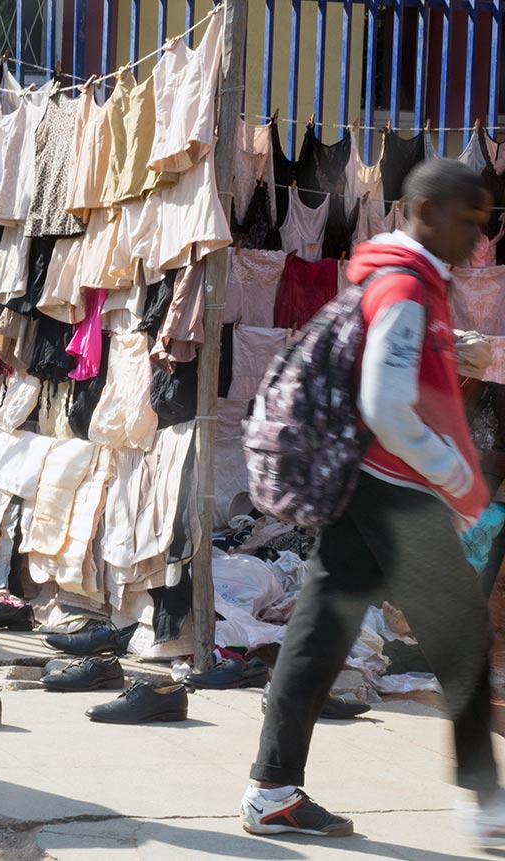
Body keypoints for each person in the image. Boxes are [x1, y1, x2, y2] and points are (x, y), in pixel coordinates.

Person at [240, 158, 503, 846]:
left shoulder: (399, 279)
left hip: (367, 483)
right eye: (468, 219)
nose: (479, 237)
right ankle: (486, 804)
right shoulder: (408, 288)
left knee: (322, 628)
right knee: (463, 634)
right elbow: (387, 404)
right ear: (423, 213)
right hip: (396, 488)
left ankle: (271, 790)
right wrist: (453, 475)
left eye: (485, 221)